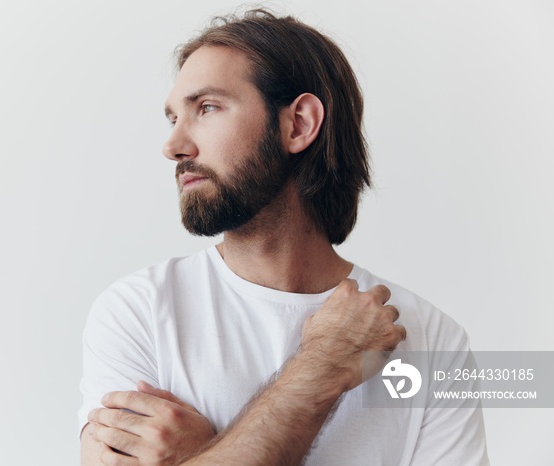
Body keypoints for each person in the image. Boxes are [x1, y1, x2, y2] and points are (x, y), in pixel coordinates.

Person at [79, 9, 489, 466]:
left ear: (298, 124)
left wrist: (201, 455)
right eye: (173, 117)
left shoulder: (432, 342)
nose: (173, 146)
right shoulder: (137, 313)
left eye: (207, 108)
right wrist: (321, 367)